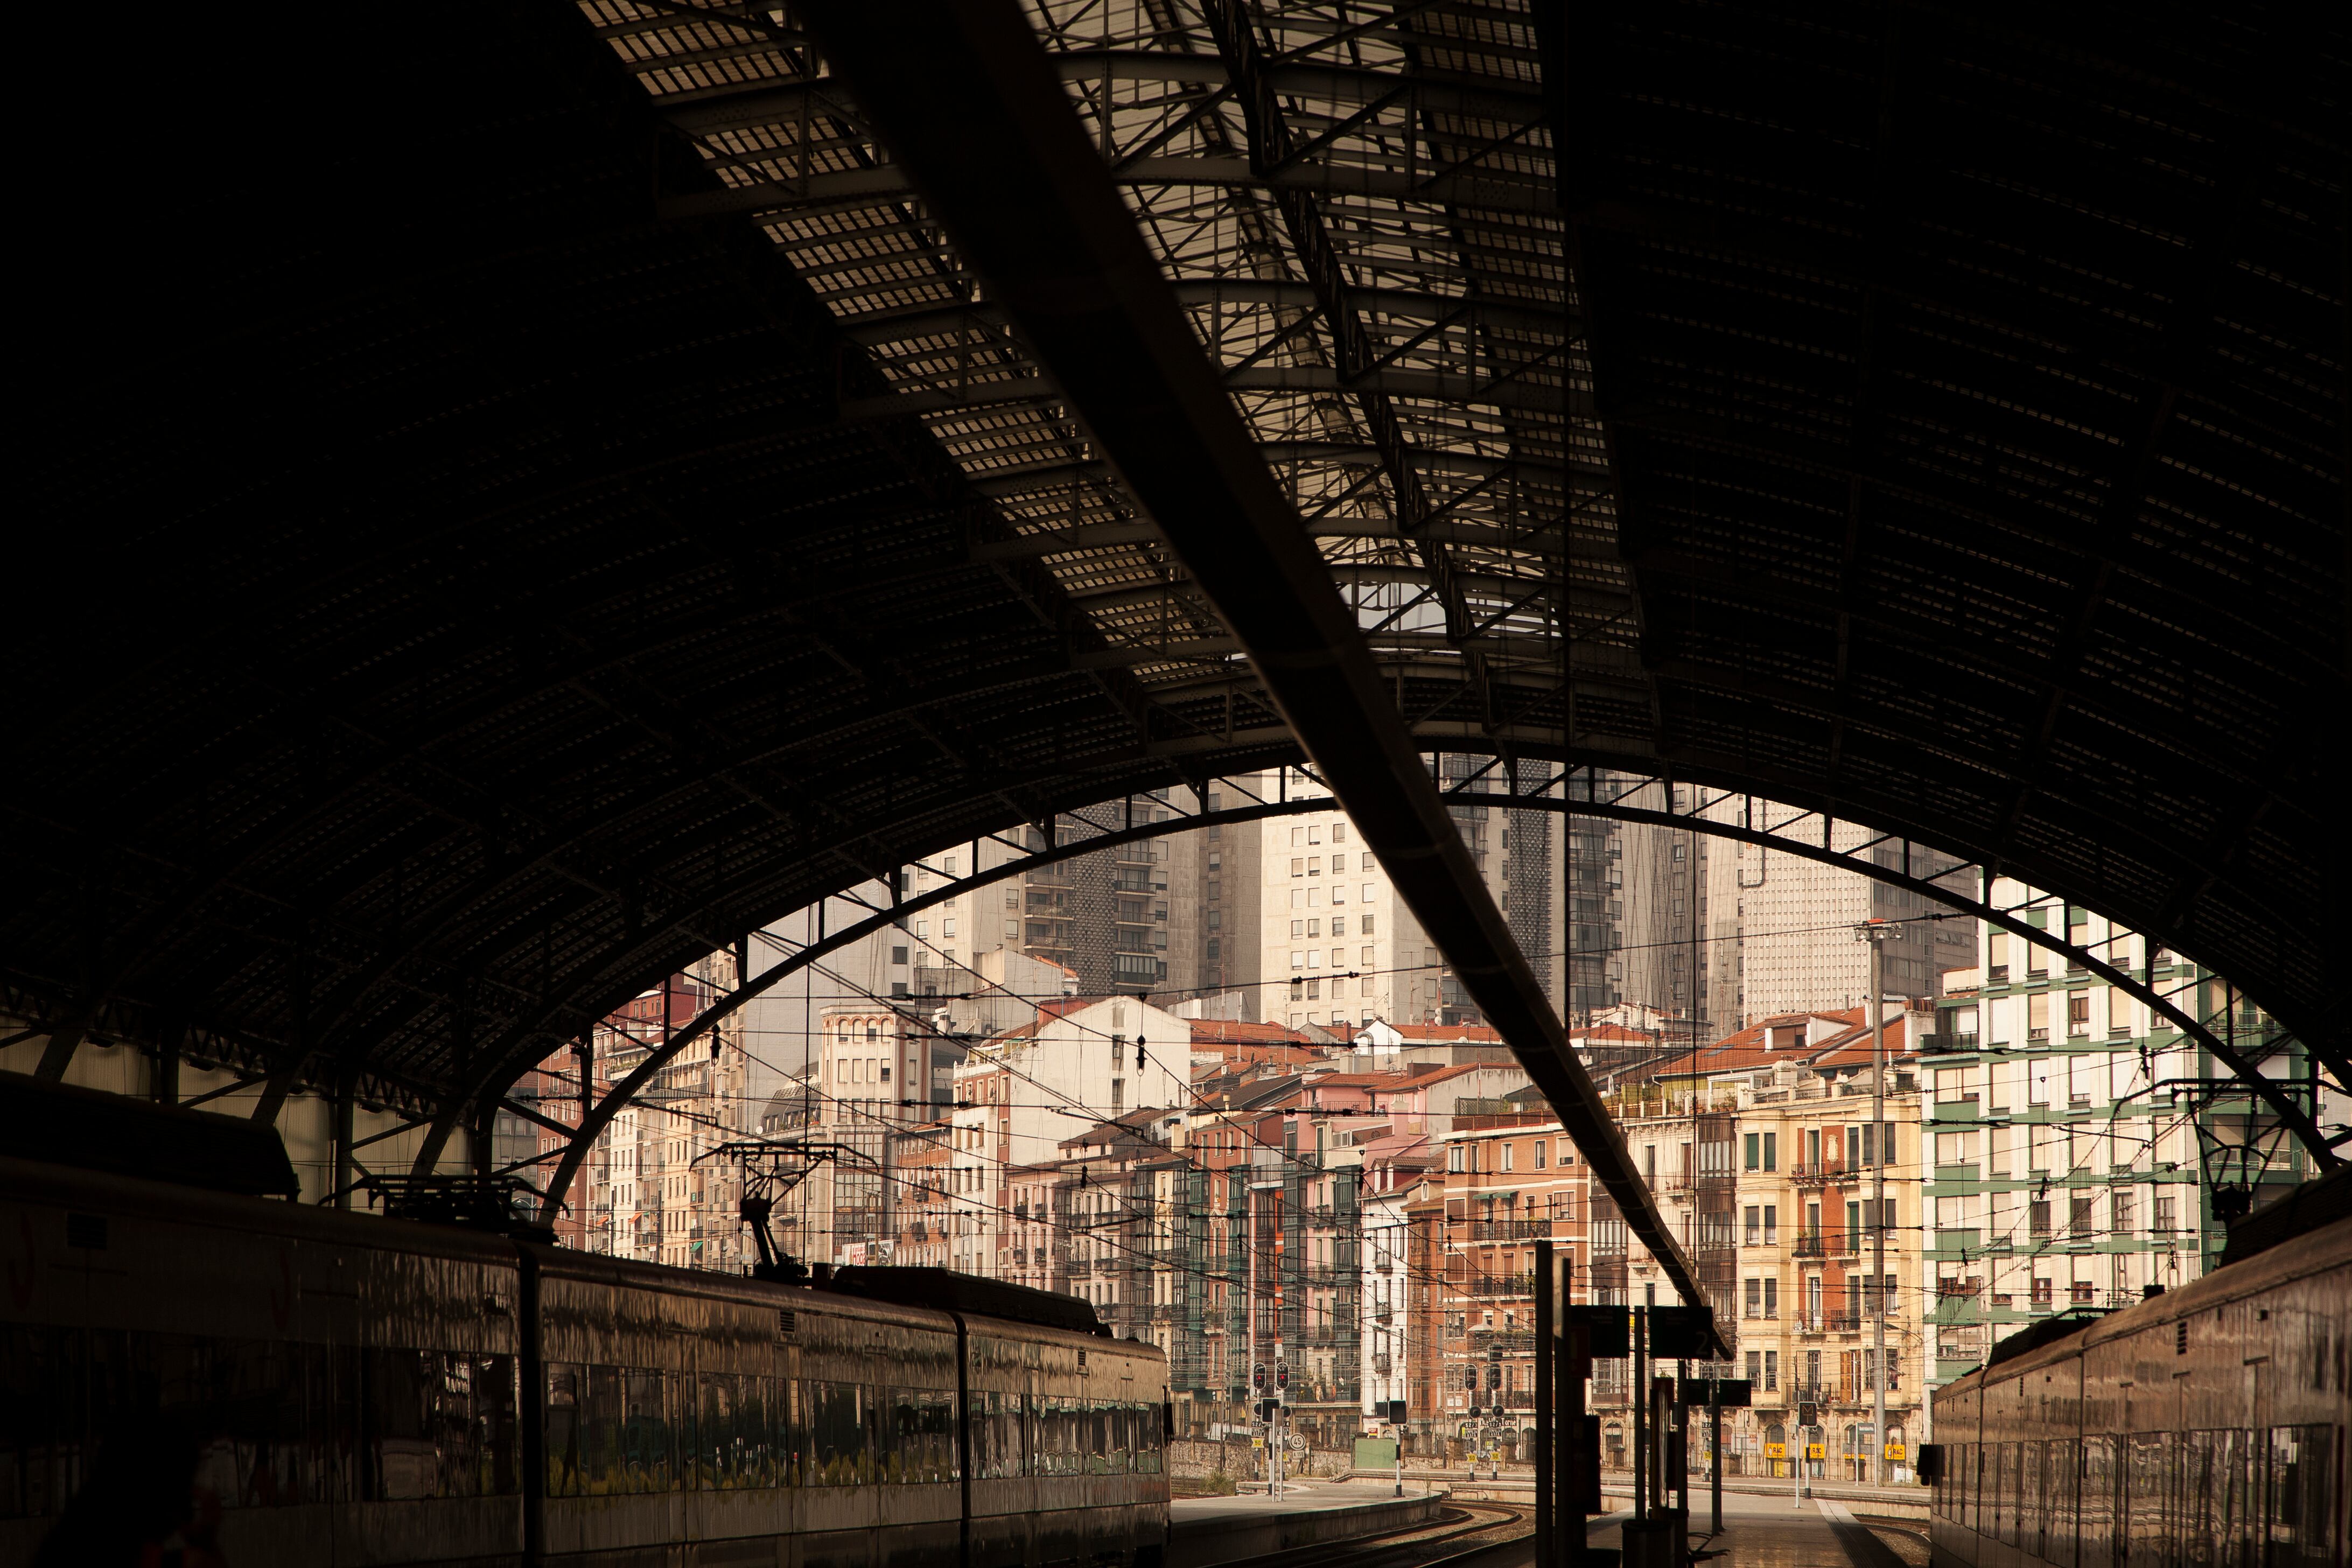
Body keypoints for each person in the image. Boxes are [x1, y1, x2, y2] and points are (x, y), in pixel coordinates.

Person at [34, 1415, 229, 1568]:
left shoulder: (69, 1544)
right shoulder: (128, 1555)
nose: (187, 1505)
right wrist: (206, 1544)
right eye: (183, 1487)